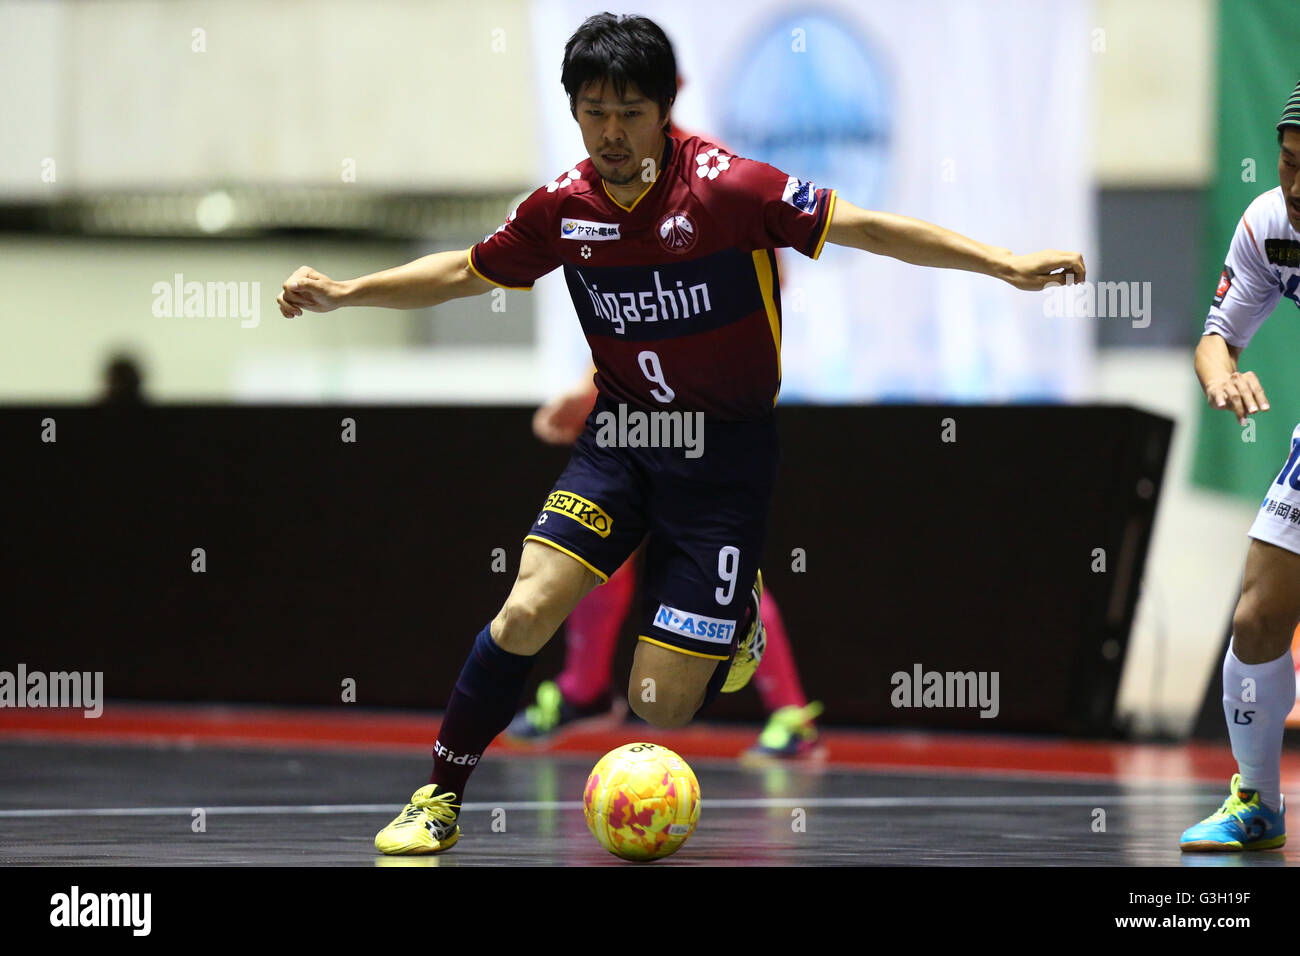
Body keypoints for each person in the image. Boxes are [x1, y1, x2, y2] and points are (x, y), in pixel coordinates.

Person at [277, 12, 1083, 856]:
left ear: (666, 108)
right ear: (575, 112)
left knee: (660, 705)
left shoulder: (731, 188)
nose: (612, 132)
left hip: (724, 457)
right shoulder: (563, 207)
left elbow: (869, 228)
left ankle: (738, 624)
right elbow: (462, 270)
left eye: (630, 111)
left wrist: (1007, 264)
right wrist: (346, 290)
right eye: (594, 112)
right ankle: (439, 795)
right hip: (619, 441)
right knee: (524, 610)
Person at [509, 371, 824, 762]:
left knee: (718, 569)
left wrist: (586, 388)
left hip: (710, 422)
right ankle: (583, 690)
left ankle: (790, 715)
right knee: (605, 550)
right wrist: (589, 388)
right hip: (637, 422)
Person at [1179, 81, 1300, 852]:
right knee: (1257, 617)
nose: (1298, 184)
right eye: (1288, 162)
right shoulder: (1272, 222)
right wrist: (1221, 376)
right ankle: (1256, 801)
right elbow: (1216, 334)